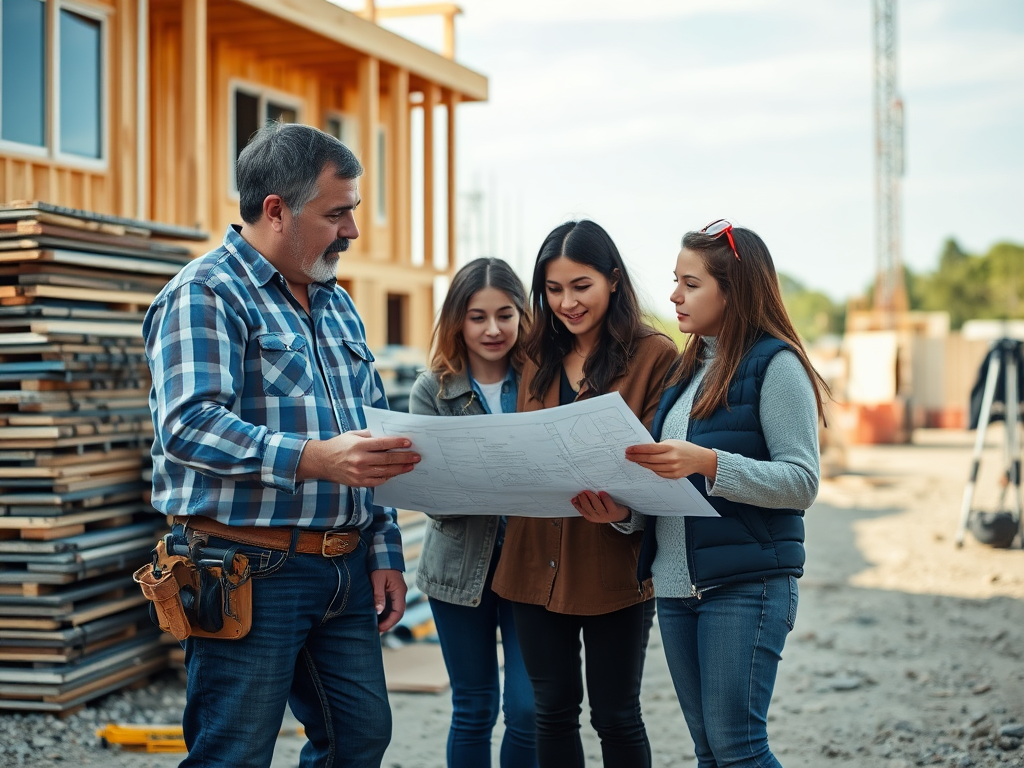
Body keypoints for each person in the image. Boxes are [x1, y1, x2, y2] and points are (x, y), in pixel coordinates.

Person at [143, 122, 421, 768]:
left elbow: (368, 433)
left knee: (359, 739)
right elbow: (187, 425)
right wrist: (313, 458)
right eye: (338, 213)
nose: (352, 229)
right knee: (234, 754)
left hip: (345, 571)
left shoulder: (337, 305)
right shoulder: (205, 293)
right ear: (276, 211)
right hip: (249, 570)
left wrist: (383, 549)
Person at [626, 220, 827, 768]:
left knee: (740, 751)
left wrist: (711, 463)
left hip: (746, 584)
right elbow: (667, 484)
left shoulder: (776, 365)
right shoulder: (686, 369)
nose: (673, 295)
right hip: (674, 586)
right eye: (675, 280)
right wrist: (620, 509)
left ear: (732, 289)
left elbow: (802, 482)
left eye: (690, 283)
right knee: (709, 753)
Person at [491, 220, 677, 768]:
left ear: (614, 281)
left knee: (616, 714)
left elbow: (659, 458)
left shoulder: (654, 355)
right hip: (530, 561)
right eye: (553, 290)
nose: (567, 303)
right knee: (550, 711)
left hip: (611, 564)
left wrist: (626, 510)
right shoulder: (531, 353)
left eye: (581, 286)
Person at [409, 257, 538, 768]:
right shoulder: (432, 390)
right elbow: (429, 492)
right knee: (474, 707)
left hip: (531, 564)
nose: (492, 329)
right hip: (457, 570)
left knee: (528, 710)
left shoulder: (542, 383)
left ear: (523, 316)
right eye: (477, 316)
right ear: (457, 320)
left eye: (505, 315)